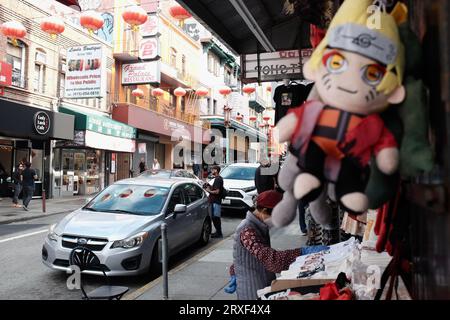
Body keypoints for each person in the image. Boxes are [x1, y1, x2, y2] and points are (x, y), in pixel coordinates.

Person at [227, 190, 328, 300]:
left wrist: (234, 270)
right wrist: (301, 253)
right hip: (252, 290)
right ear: (264, 210)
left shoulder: (258, 227)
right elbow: (271, 259)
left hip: (262, 281)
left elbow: (246, 254)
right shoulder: (247, 230)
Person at [204, 165, 224, 238]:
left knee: (215, 217)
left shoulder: (218, 179)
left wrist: (208, 190)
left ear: (216, 170)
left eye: (212, 170)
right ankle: (218, 232)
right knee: (214, 217)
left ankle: (219, 233)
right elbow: (214, 189)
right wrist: (208, 185)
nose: (211, 171)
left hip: (216, 201)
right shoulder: (216, 179)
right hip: (214, 201)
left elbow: (217, 191)